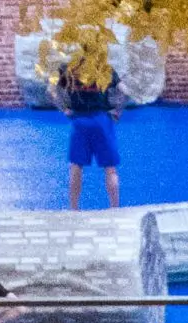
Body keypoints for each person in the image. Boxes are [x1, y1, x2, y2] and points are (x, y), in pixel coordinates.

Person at [60, 56, 120, 210]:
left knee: (76, 166)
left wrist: (64, 109)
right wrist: (118, 110)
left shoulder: (69, 68)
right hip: (101, 120)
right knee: (110, 168)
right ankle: (114, 208)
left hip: (79, 121)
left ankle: (74, 208)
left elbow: (52, 91)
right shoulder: (104, 68)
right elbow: (122, 90)